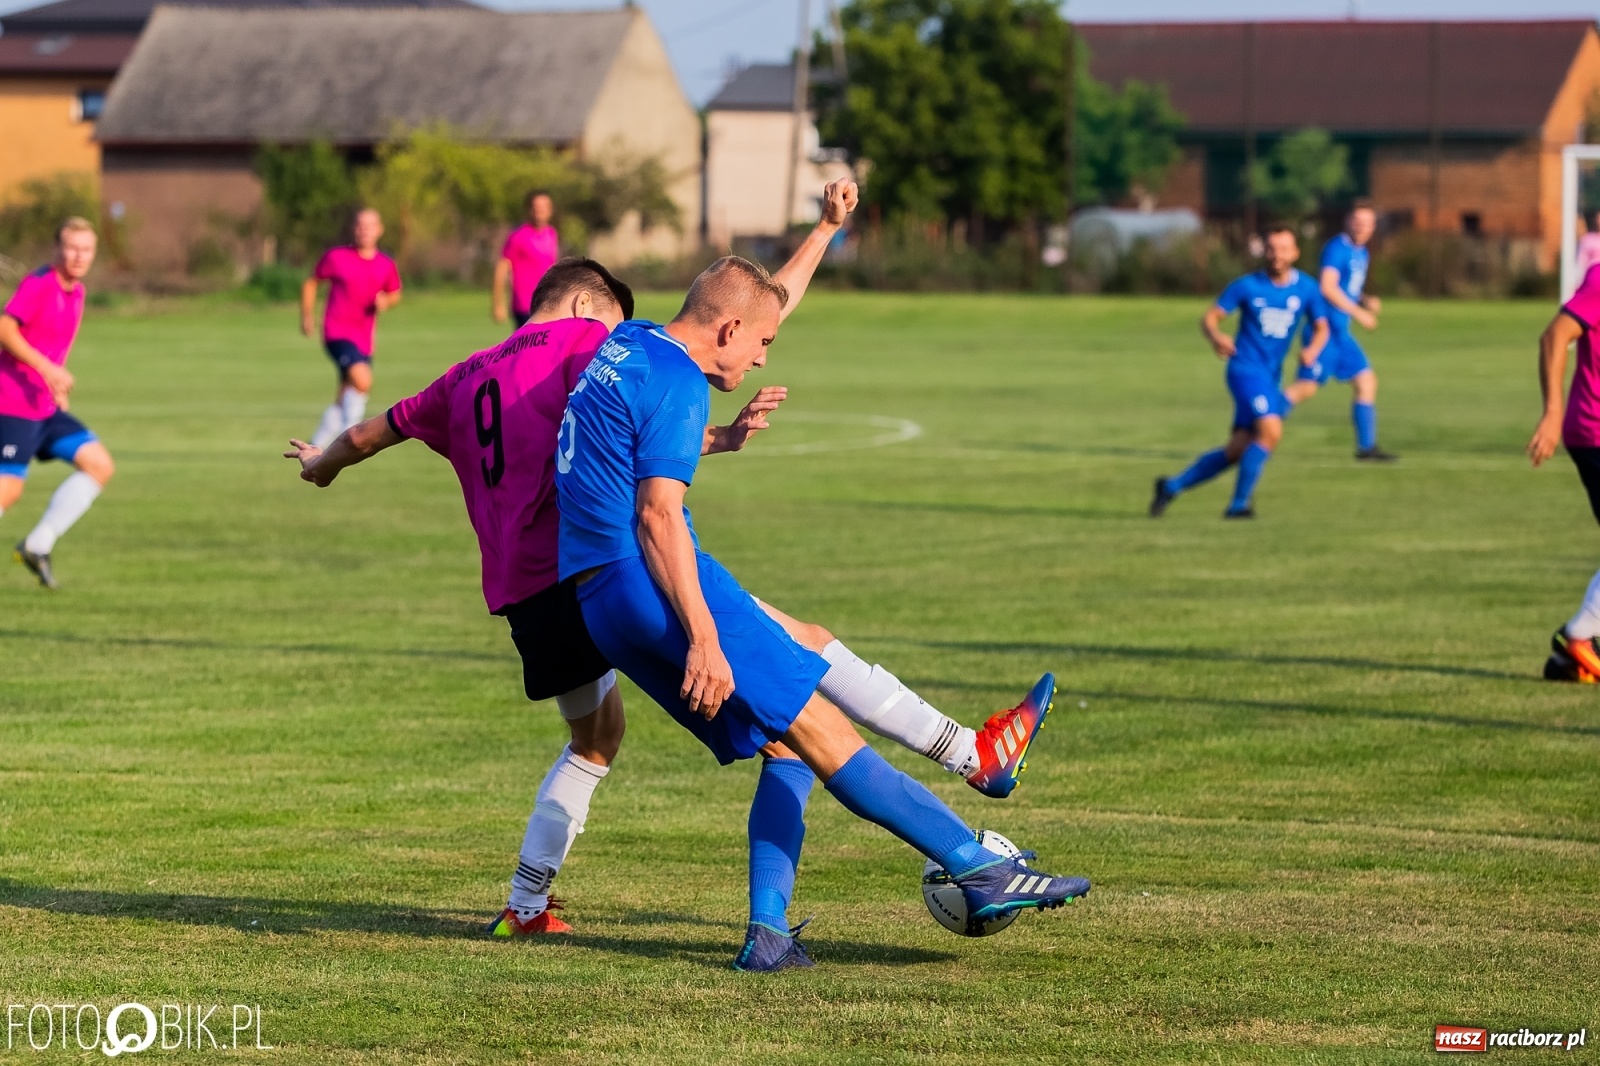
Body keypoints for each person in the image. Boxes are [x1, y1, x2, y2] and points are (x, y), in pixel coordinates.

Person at [285, 184, 1056, 946]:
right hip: (614, 569)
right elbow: (740, 319)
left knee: (597, 741)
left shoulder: (461, 378)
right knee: (805, 653)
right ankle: (970, 753)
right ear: (588, 308)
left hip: (531, 599)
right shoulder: (596, 344)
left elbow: (369, 435)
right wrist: (823, 230)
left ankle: (530, 902)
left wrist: (321, 463)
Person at [555, 254, 1090, 971]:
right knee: (823, 727)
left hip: (598, 600)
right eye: (763, 344)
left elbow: (742, 308)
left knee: (785, 747)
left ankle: (769, 934)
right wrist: (705, 636)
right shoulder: (680, 380)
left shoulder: (631, 343)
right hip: (658, 582)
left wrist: (829, 232)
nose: (761, 356)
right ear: (730, 327)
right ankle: (978, 866)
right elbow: (657, 516)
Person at [1150, 226, 1331, 520]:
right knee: (1271, 431)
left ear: (1295, 253)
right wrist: (1216, 337)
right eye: (1271, 249)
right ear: (1264, 252)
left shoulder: (1307, 289)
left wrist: (1312, 351)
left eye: (1284, 249)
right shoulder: (1246, 286)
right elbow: (1210, 317)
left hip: (1271, 377)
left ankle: (1171, 486)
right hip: (1245, 370)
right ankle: (1238, 506)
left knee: (1237, 450)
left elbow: (1323, 328)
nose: (1277, 255)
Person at [1, 217, 115, 589]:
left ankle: (38, 544)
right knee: (10, 489)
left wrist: (56, 382)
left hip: (45, 406)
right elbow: (5, 328)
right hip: (13, 401)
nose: (79, 256)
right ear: (56, 250)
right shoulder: (40, 284)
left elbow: (53, 344)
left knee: (98, 464)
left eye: (86, 249)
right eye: (71, 247)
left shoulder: (76, 291)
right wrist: (47, 369)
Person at [1527, 261, 1600, 681]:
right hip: (1595, 430)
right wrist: (1552, 412)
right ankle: (1582, 636)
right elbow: (1555, 336)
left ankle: (1570, 658)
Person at [1283, 200, 1397, 461]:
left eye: (1367, 224)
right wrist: (1360, 313)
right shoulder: (1338, 249)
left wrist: (1364, 299)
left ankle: (1366, 449)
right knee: (1305, 389)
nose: (1362, 228)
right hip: (1323, 332)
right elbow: (1327, 286)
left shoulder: (1362, 253)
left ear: (1373, 226)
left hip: (1341, 334)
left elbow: (1346, 289)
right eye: (1357, 222)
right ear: (1348, 222)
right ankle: (1260, 423)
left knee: (1366, 381)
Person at [301, 208, 402, 448]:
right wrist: (307, 316)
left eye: (370, 226)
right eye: (360, 225)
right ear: (353, 228)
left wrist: (385, 301)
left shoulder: (385, 264)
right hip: (336, 332)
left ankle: (317, 444)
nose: (364, 230)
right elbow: (311, 282)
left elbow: (395, 293)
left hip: (364, 339)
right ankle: (351, 438)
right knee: (363, 380)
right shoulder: (337, 257)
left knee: (345, 393)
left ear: (379, 230)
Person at [492, 191, 559, 330]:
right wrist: (498, 304)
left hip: (547, 304)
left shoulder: (551, 234)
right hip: (525, 306)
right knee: (530, 349)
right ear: (529, 210)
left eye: (543, 207)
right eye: (536, 207)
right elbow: (502, 269)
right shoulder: (518, 236)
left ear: (550, 210)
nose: (539, 211)